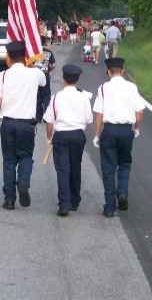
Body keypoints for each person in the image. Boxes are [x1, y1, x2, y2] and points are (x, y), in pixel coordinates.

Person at [0, 41, 46, 210]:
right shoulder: (34, 74)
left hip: (8, 122)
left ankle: (9, 199)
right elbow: (44, 82)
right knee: (25, 157)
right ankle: (23, 183)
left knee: (9, 160)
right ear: (25, 56)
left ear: (8, 57)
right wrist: (30, 65)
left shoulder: (2, 75)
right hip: (26, 124)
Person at [92, 57, 145, 217]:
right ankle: (122, 191)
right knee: (125, 163)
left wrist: (97, 134)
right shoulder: (132, 87)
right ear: (122, 71)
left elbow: (99, 114)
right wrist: (136, 128)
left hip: (109, 130)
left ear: (108, 72)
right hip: (126, 130)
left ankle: (109, 207)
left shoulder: (103, 88)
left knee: (108, 168)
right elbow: (140, 112)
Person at [43, 65, 93, 216]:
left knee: (62, 169)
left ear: (64, 79)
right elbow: (89, 120)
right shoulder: (84, 97)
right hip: (78, 135)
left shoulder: (56, 97)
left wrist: (49, 137)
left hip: (61, 135)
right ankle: (75, 200)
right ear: (77, 80)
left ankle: (64, 203)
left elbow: (49, 121)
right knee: (75, 167)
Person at [34, 46, 57, 122]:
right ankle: (46, 116)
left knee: (37, 96)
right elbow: (54, 65)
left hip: (36, 76)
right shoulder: (48, 52)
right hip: (45, 75)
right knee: (46, 95)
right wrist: (48, 70)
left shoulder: (33, 51)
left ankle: (38, 117)